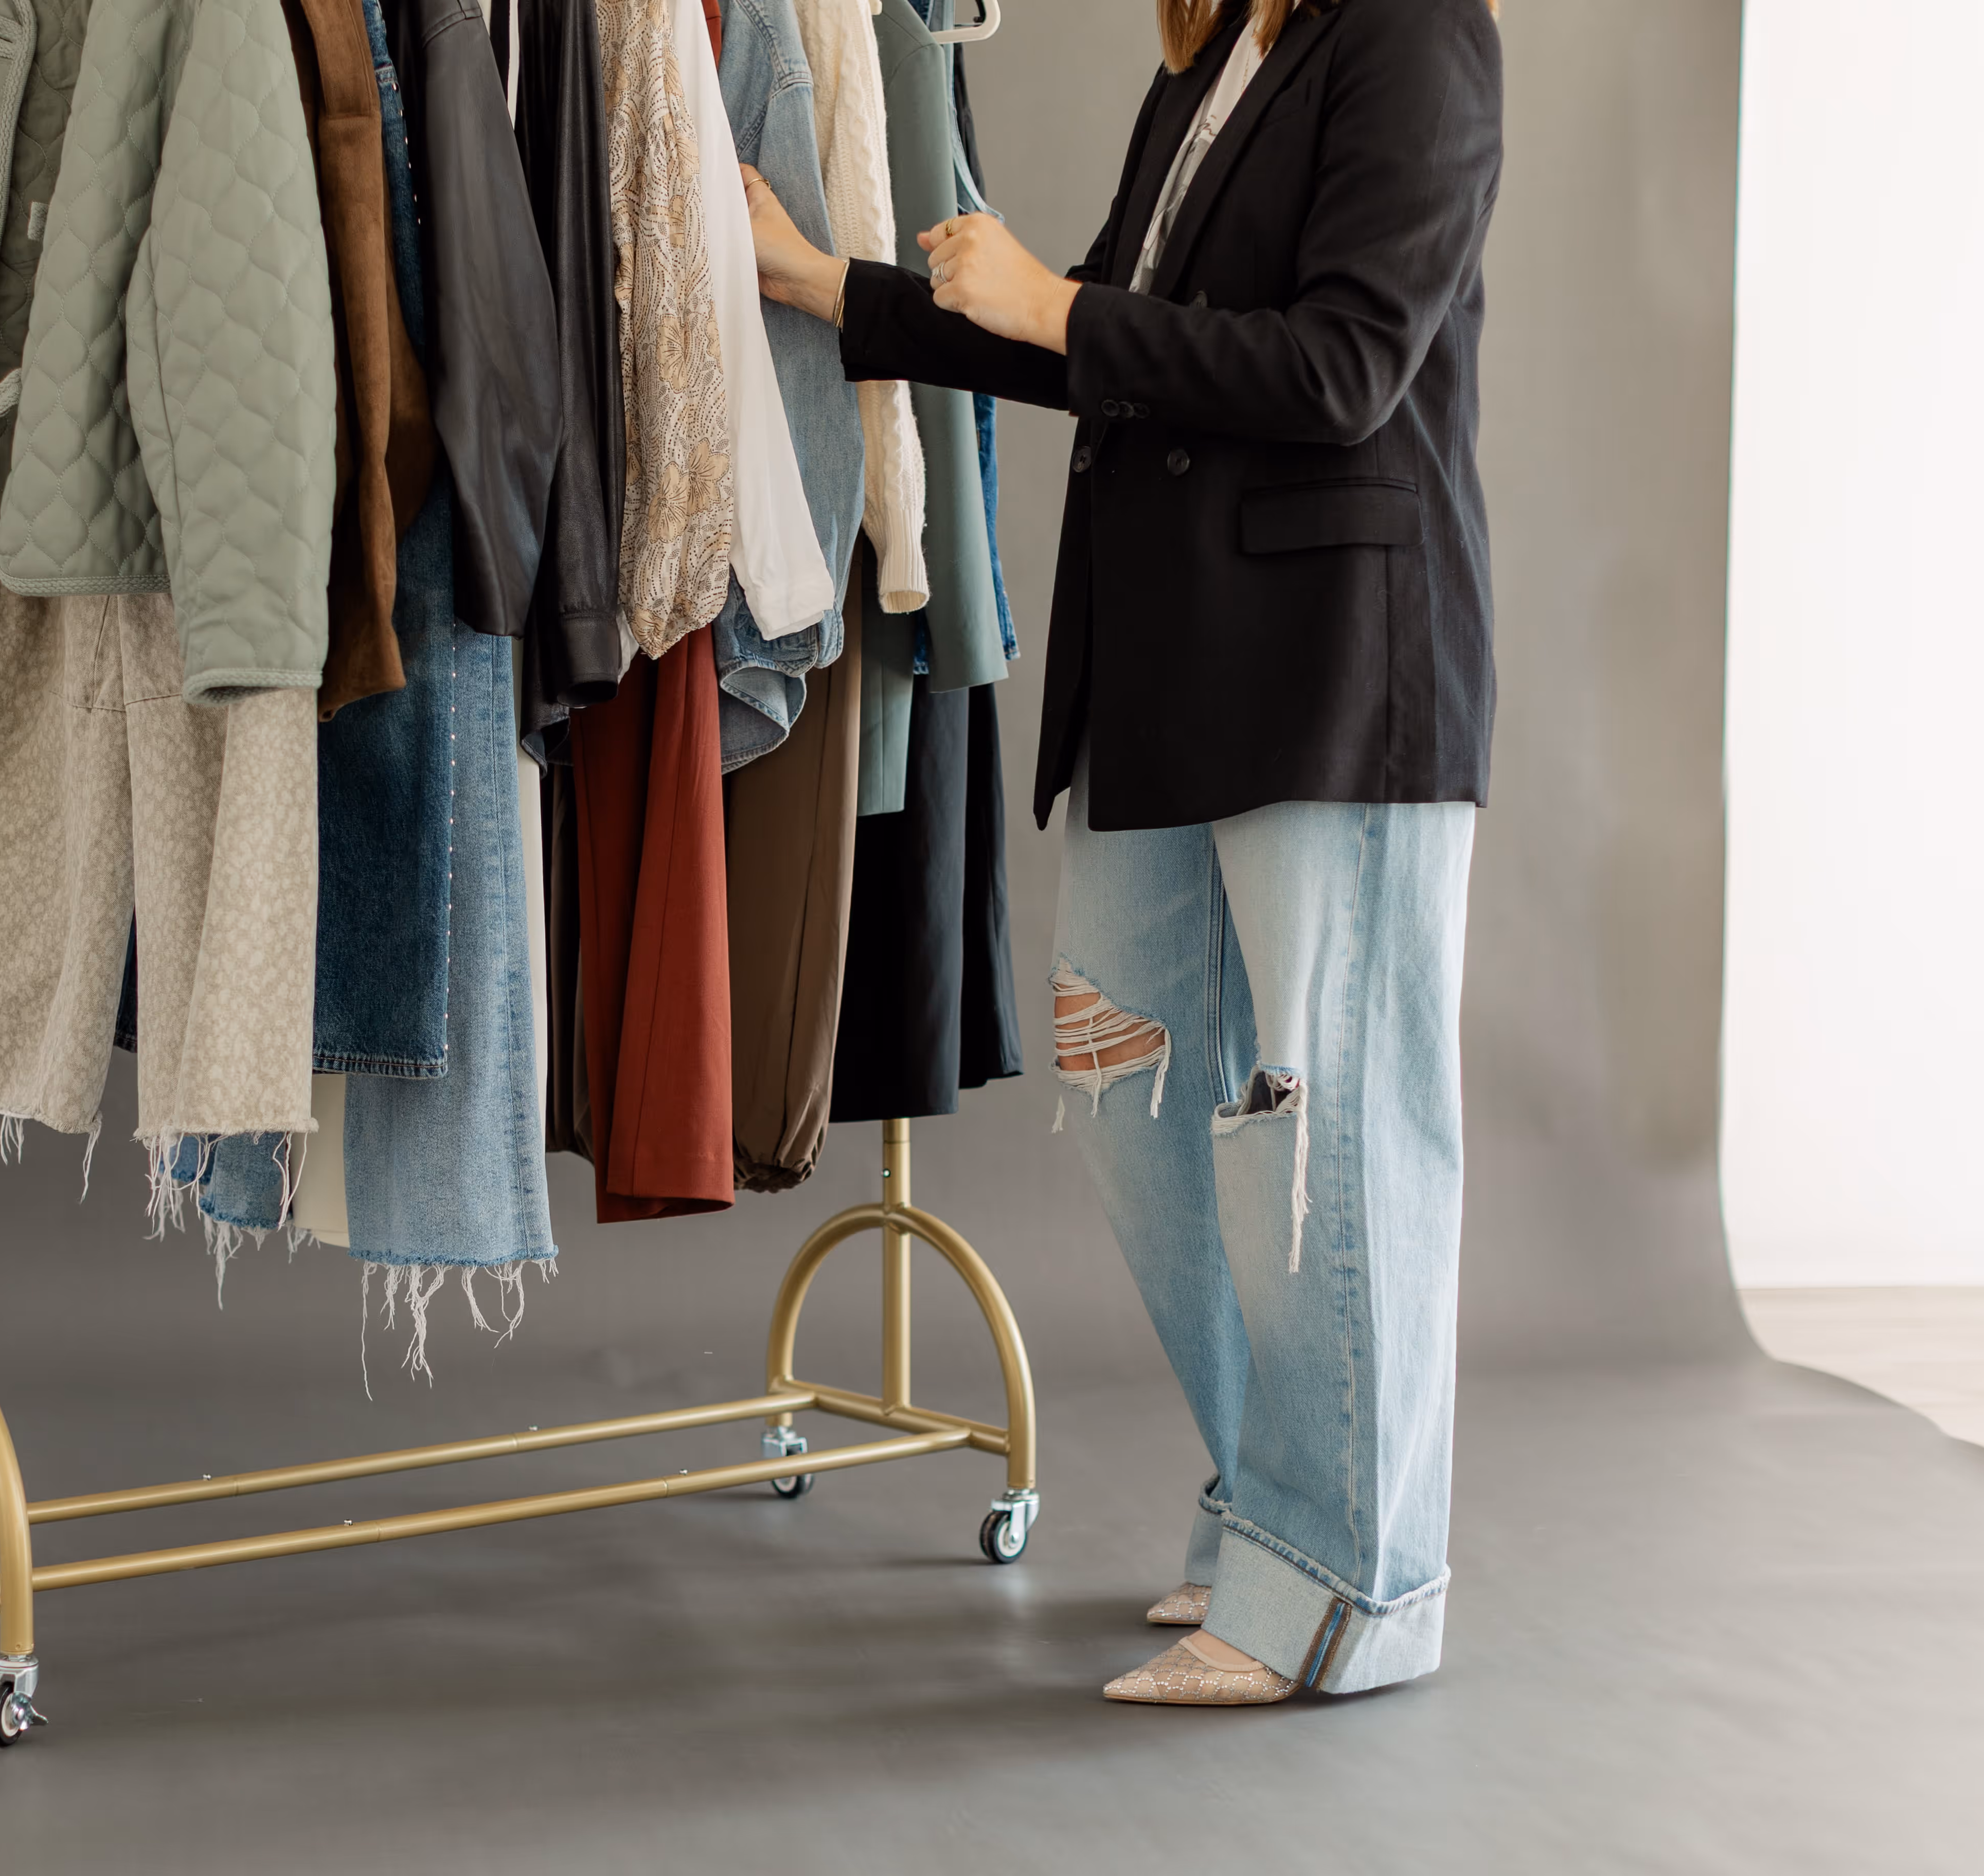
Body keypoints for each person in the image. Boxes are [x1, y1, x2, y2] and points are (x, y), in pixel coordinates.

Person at [743, 0, 1504, 1705]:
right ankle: (1280, 1509)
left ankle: (1354, 1589)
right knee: (1143, 1104)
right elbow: (1077, 336)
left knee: (1329, 1136)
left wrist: (1066, 303)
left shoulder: (1418, 35)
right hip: (1170, 677)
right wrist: (830, 288)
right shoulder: (1223, 52)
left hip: (1340, 679)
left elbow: (1346, 365)